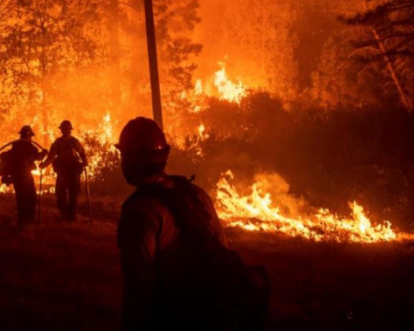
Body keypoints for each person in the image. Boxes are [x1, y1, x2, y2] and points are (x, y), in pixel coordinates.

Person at [115, 117, 269, 330]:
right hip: (223, 314)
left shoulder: (140, 211)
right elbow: (222, 248)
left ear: (132, 159)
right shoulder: (195, 194)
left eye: (123, 155)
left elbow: (139, 288)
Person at [41, 120, 87, 222]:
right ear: (61, 131)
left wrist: (85, 162)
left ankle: (71, 217)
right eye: (64, 130)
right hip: (62, 172)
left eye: (68, 130)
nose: (66, 132)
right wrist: (44, 165)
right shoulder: (57, 143)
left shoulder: (75, 142)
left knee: (73, 195)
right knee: (60, 194)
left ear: (70, 131)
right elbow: (51, 157)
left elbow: (82, 153)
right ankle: (64, 214)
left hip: (73, 172)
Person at [5, 125, 47, 225]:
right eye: (30, 136)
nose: (30, 138)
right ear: (29, 136)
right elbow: (38, 157)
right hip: (25, 176)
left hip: (16, 177)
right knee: (31, 198)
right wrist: (44, 153)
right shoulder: (30, 147)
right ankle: (29, 220)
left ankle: (21, 220)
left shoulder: (15, 146)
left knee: (20, 198)